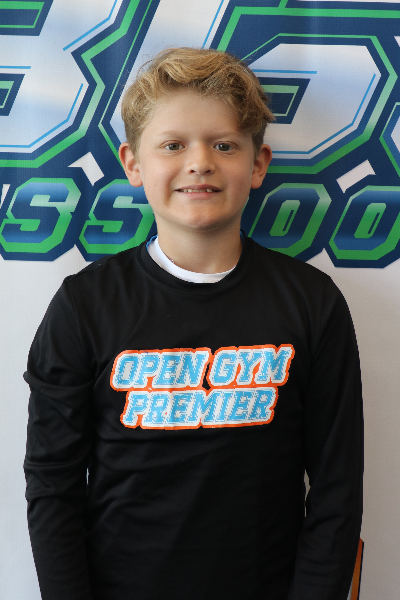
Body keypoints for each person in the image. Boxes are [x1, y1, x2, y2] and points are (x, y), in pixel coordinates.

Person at [24, 47, 363, 600]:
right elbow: (52, 488)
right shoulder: (84, 307)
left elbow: (337, 491)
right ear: (134, 163)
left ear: (258, 164)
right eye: (173, 145)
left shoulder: (312, 303)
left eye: (224, 145)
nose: (200, 162)